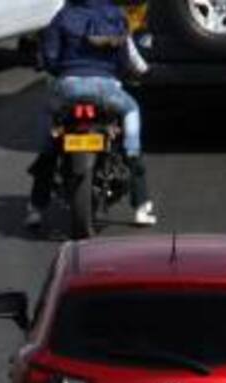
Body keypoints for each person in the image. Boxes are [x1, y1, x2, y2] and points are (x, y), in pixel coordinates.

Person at [25, 0, 157, 229]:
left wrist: (61, 70)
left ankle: (36, 209)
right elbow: (129, 59)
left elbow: (50, 57)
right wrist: (144, 72)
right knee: (132, 113)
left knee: (50, 141)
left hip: (68, 89)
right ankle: (141, 208)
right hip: (107, 90)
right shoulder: (116, 15)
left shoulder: (63, 16)